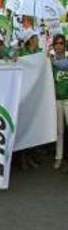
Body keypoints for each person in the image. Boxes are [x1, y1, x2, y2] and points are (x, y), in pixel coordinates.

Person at [51, 34, 68, 171]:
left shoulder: (64, 60)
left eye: (61, 43)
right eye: (56, 43)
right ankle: (58, 157)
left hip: (67, 98)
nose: (59, 45)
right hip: (57, 99)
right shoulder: (49, 61)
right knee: (59, 131)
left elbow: (64, 64)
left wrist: (52, 62)